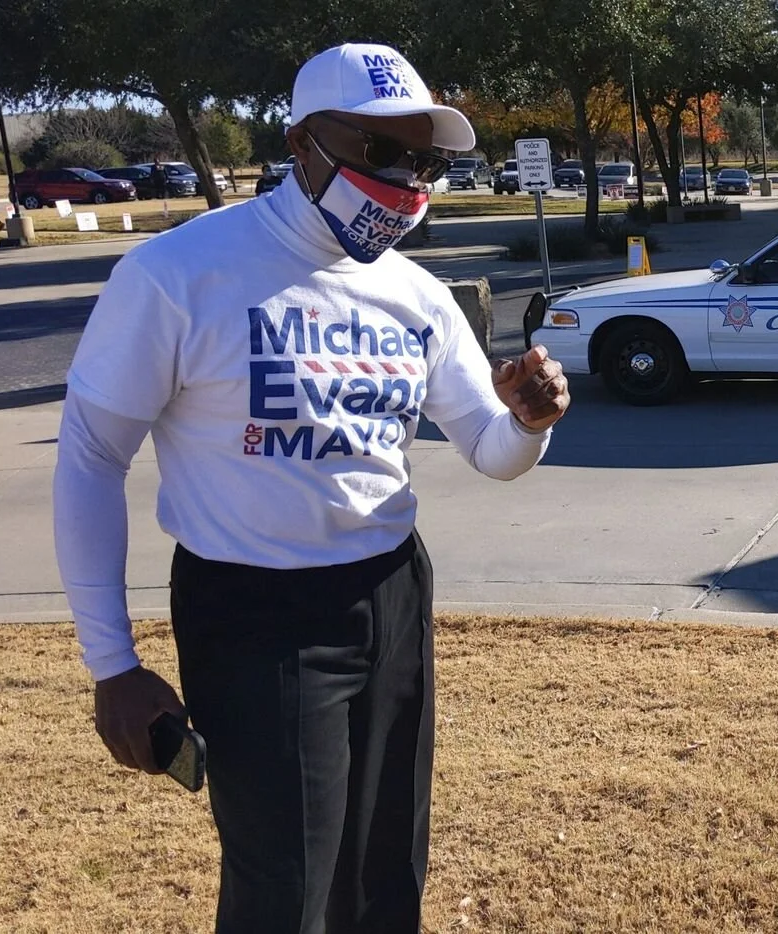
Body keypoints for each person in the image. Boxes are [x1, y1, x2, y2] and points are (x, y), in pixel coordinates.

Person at [52, 43, 570, 933]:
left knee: (386, 872)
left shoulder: (416, 295)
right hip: (253, 612)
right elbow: (92, 455)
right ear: (302, 144)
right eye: (382, 152)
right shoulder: (179, 275)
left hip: (391, 593)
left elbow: (489, 449)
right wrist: (113, 665)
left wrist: (529, 421)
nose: (407, 182)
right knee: (284, 891)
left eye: (426, 164)